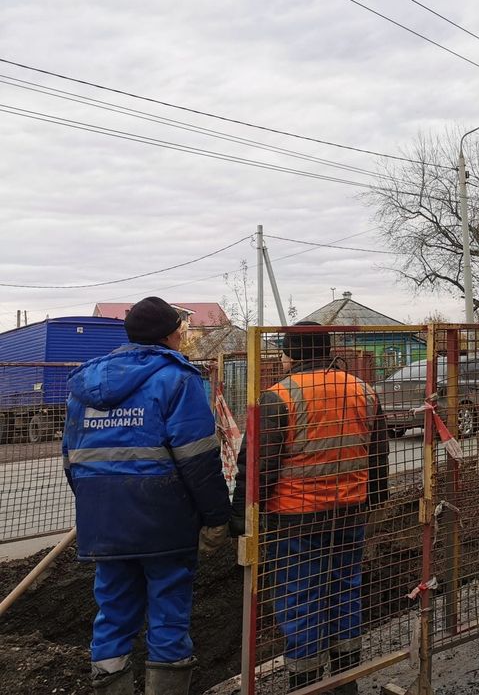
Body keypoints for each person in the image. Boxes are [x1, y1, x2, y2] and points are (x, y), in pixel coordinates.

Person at [63, 296, 231, 695]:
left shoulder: (83, 385)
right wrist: (216, 517)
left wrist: (99, 509)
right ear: (171, 334)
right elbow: (198, 459)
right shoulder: (178, 378)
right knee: (169, 615)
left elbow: (72, 462)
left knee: (113, 613)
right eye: (180, 329)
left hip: (104, 524)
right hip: (164, 523)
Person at [230, 321, 383, 694]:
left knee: (302, 598)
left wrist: (242, 515)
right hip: (350, 513)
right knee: (346, 590)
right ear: (326, 350)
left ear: (290, 353)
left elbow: (257, 466)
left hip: (296, 521)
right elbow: (378, 453)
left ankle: (306, 683)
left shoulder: (278, 396)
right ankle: (346, 681)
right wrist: (375, 499)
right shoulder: (362, 390)